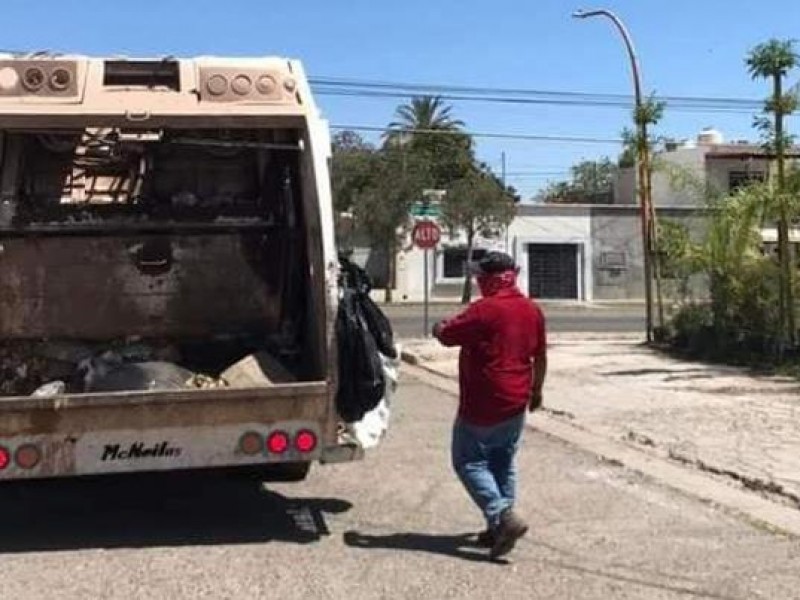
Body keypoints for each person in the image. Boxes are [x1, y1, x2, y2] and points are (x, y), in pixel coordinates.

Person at [433, 251, 547, 560]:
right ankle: (498, 527)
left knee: (468, 461)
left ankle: (501, 515)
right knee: (502, 461)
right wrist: (536, 391)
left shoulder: (484, 310)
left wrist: (438, 327)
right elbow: (541, 355)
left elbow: (447, 335)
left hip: (484, 399)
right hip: (517, 399)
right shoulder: (531, 309)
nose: (477, 281)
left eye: (479, 276)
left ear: (489, 278)